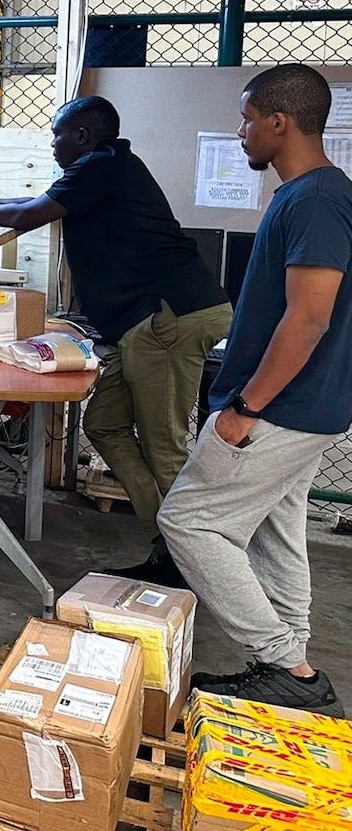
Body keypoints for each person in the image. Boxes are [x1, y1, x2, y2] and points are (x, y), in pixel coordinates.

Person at [159, 64, 352, 717]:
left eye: (247, 119)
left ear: (279, 121)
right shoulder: (310, 195)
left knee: (188, 522)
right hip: (308, 410)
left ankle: (285, 666)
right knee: (277, 533)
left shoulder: (316, 200)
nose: (240, 132)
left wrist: (246, 407)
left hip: (279, 409)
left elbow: (309, 316)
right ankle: (289, 672)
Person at [0, 96, 231, 586]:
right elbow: (20, 206)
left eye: (56, 136)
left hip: (167, 319)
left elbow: (26, 215)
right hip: (140, 326)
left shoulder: (101, 165)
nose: (53, 145)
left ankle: (191, 560)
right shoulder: (106, 167)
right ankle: (173, 537)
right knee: (105, 424)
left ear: (80, 136)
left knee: (164, 445)